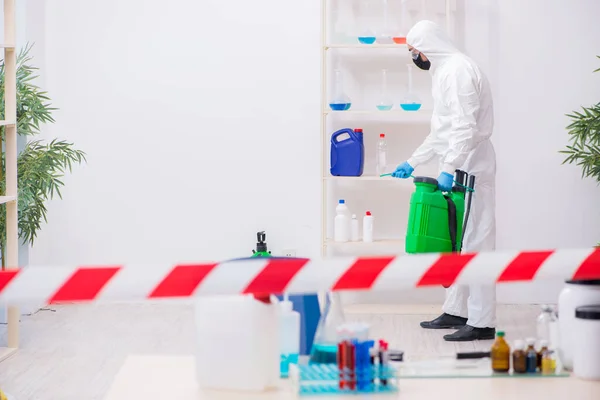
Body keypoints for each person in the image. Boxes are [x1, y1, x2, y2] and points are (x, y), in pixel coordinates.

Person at [392, 20, 497, 342]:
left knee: (476, 242)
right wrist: (413, 161)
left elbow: (465, 126)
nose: (414, 57)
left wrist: (449, 166)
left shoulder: (460, 70)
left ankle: (482, 321)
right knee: (456, 242)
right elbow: (442, 131)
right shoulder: (444, 71)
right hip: (457, 161)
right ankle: (457, 310)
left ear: (426, 47)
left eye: (414, 51)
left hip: (471, 164)